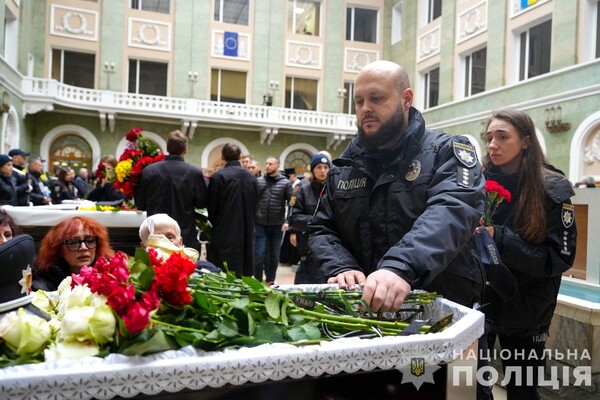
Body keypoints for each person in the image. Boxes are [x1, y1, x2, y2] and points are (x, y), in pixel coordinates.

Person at [308, 60, 486, 313]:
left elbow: (453, 210)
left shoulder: (447, 152)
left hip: (440, 314)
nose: (365, 108)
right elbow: (322, 228)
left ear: (406, 99)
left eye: (377, 98)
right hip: (365, 315)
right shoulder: (344, 167)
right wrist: (342, 267)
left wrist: (400, 266)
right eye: (359, 102)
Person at [479, 108, 577, 399]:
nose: (492, 145)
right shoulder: (475, 183)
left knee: (521, 388)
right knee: (467, 385)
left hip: (527, 308)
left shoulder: (552, 188)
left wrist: (499, 238)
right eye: (489, 138)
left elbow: (558, 258)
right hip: (480, 302)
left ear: (525, 141)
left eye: (502, 137)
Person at [135, 130, 208, 251]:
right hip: (183, 233)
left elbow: (140, 203)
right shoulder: (194, 173)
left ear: (167, 148)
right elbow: (201, 202)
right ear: (185, 150)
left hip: (154, 234)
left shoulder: (149, 171)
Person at [206, 143, 258, 277]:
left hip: (223, 230)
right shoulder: (252, 178)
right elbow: (255, 204)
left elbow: (212, 207)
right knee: (241, 271)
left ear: (222, 157)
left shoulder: (218, 177)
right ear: (240, 157)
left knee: (222, 271)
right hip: (246, 230)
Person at [32, 216, 115, 291]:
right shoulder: (44, 286)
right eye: (73, 242)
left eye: (89, 240)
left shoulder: (111, 275)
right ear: (59, 250)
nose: (83, 247)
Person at [288, 153, 330, 284]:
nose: (322, 171)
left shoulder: (334, 189)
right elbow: (294, 217)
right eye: (319, 167)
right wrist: (318, 221)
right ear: (313, 169)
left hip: (330, 244)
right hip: (309, 243)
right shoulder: (302, 188)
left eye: (325, 167)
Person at [139, 213, 220, 273]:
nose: (164, 243)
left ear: (180, 242)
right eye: (155, 239)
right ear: (143, 247)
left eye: (170, 237)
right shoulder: (137, 281)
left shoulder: (204, 270)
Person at [254, 156, 292, 283]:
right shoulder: (259, 181)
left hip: (277, 224)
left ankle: (270, 281)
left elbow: (291, 204)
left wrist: (287, 221)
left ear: (277, 166)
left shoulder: (285, 183)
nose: (267, 166)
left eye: (270, 163)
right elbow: (254, 202)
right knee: (259, 255)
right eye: (266, 163)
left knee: (274, 255)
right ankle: (258, 281)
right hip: (260, 224)